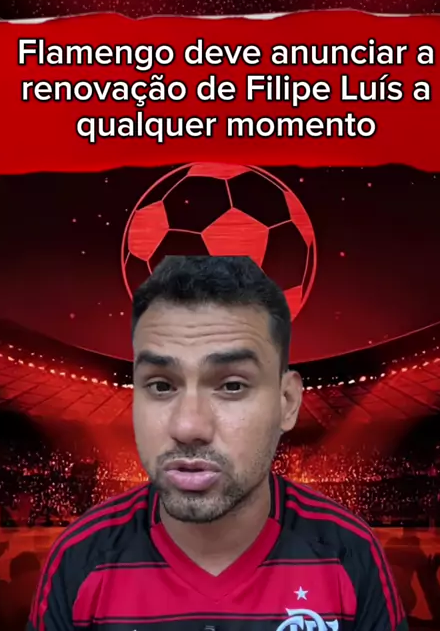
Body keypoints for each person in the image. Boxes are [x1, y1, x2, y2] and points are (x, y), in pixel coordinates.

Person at [28, 255, 408, 631]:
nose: (189, 426)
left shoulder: (350, 553)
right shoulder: (78, 559)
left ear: (287, 402)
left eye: (232, 386)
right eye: (161, 385)